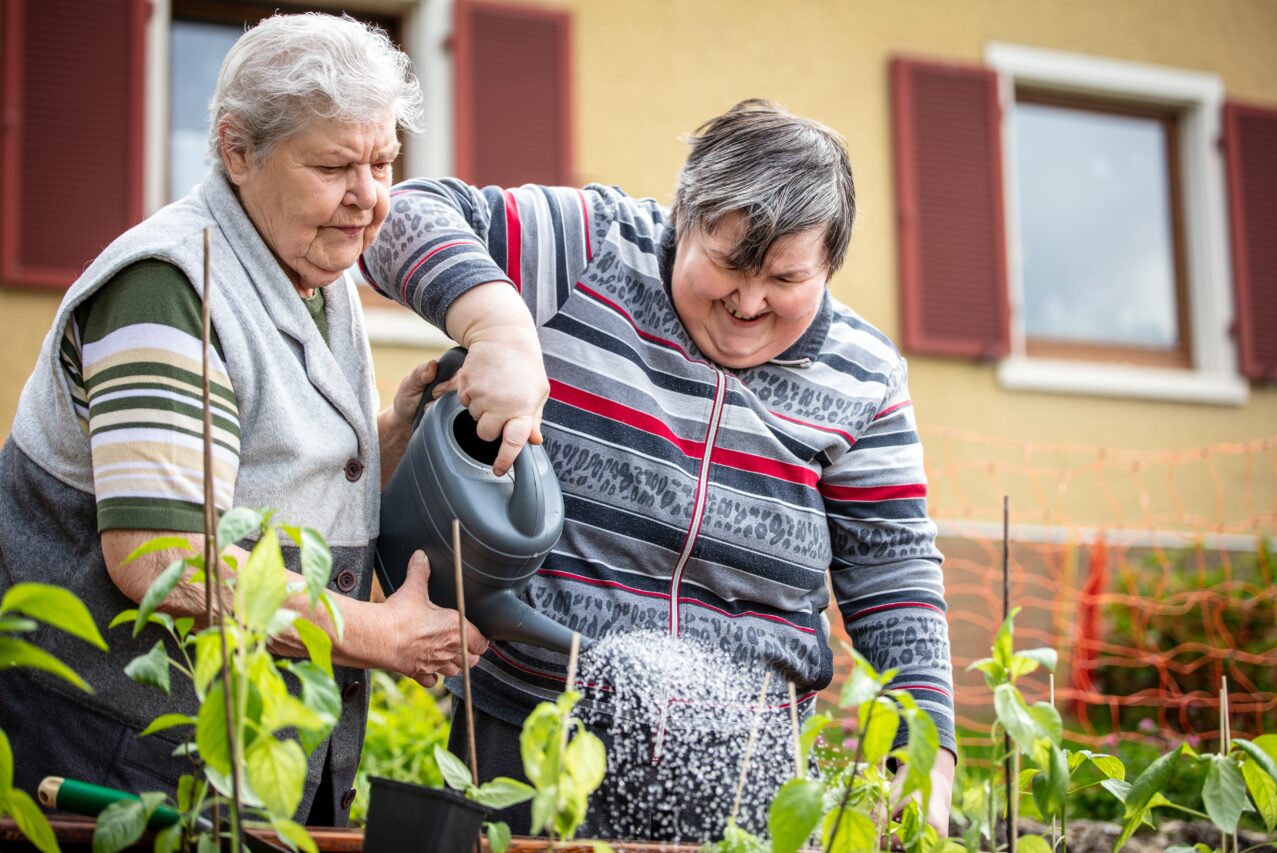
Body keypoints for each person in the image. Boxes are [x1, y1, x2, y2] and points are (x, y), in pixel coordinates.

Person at [361, 99, 956, 837]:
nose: (748, 301)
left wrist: (926, 741)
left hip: (746, 767)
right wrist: (498, 326)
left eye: (785, 279)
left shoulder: (862, 377)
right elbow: (400, 215)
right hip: (537, 737)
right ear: (684, 215)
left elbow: (892, 568)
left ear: (829, 264)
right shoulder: (593, 247)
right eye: (729, 263)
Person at [0, 13, 485, 825]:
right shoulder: (167, 288)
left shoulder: (305, 262)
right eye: (335, 166)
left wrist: (391, 431)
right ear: (237, 150)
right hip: (122, 754)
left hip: (249, 745)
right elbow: (165, 560)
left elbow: (270, 462)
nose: (369, 199)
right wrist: (380, 635)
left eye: (383, 161)